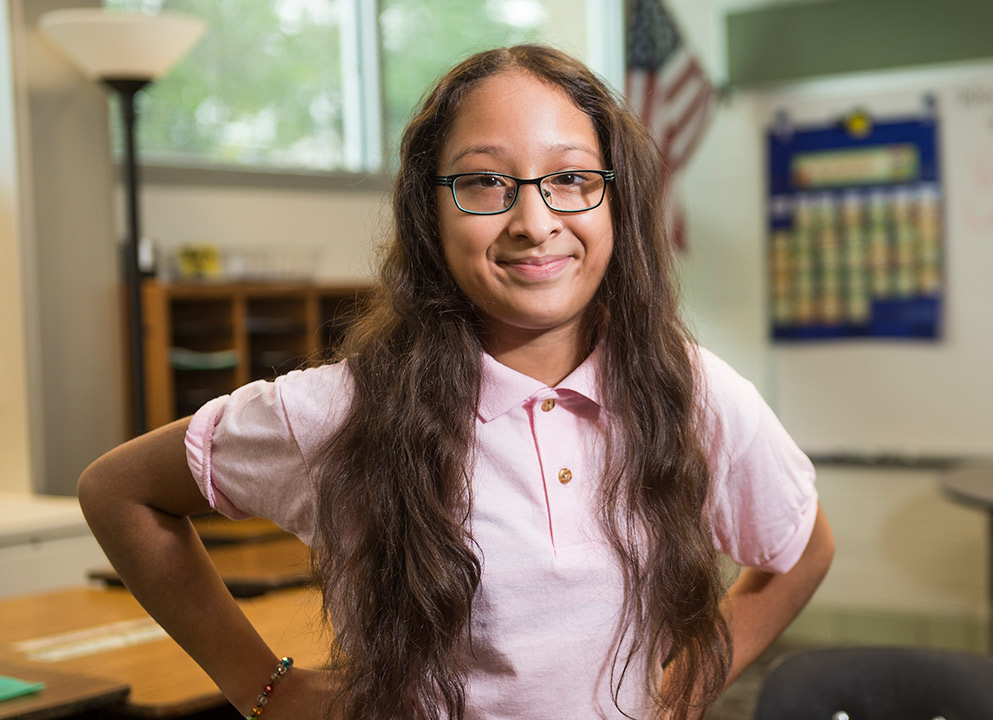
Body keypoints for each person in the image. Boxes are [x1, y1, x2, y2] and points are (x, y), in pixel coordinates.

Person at [78, 45, 833, 720]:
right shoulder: (345, 408)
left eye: (570, 178)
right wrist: (259, 685)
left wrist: (686, 690)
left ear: (617, 200)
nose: (534, 221)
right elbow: (120, 492)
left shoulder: (688, 389)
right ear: (429, 212)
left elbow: (802, 547)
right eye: (483, 182)